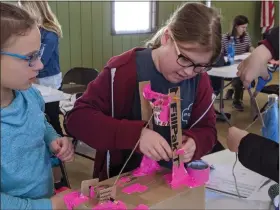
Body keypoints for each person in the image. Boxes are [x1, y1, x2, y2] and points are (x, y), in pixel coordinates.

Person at [66, 2, 221, 181]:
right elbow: (77, 120)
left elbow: (208, 130)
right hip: (123, 182)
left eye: (201, 66)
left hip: (176, 183)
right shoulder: (123, 71)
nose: (188, 72)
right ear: (167, 37)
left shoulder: (198, 79)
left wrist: (196, 142)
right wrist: (135, 136)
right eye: (185, 59)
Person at [1, 2, 73, 209]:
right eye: (29, 58)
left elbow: (39, 122)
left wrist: (52, 139)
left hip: (45, 196)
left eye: (38, 55)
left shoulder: (30, 95)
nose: (40, 65)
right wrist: (46, 207)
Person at [19, 0, 65, 189]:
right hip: (37, 80)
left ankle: (58, 169)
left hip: (49, 80)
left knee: (51, 120)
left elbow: (41, 62)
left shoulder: (49, 33)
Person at [221, 15, 254, 111]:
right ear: (236, 26)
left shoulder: (246, 36)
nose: (245, 29)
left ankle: (233, 90)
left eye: (246, 27)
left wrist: (253, 50)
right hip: (229, 66)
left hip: (242, 65)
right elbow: (221, 54)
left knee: (248, 79)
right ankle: (236, 101)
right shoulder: (225, 38)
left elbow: (249, 47)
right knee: (239, 78)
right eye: (243, 27)